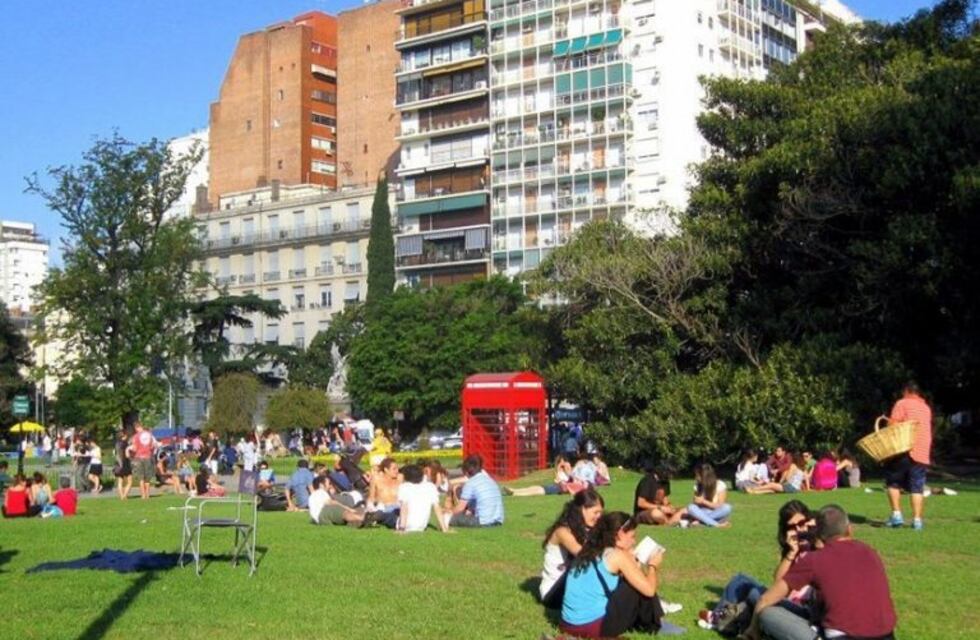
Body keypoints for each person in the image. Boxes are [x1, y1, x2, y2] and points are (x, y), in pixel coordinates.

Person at [745, 505, 897, 640]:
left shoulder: (815, 559)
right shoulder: (870, 552)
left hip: (842, 635)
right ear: (849, 529)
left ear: (818, 534)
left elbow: (767, 599)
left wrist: (753, 630)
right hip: (886, 635)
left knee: (768, 613)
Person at [699, 500, 817, 634]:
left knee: (753, 592)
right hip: (788, 601)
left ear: (808, 521)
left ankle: (720, 618)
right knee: (741, 580)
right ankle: (724, 618)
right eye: (792, 527)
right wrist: (791, 553)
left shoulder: (816, 547)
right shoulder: (793, 550)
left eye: (801, 524)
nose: (798, 530)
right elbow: (778, 583)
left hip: (801, 611)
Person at [560, 511, 684, 638]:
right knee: (637, 588)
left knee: (630, 582)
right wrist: (653, 566)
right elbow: (649, 590)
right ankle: (653, 625)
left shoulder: (589, 549)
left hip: (567, 625)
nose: (634, 541)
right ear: (619, 535)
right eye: (632, 536)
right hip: (593, 628)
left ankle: (649, 619)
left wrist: (632, 565)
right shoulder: (616, 555)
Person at [540, 488, 605, 608]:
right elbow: (583, 554)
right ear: (582, 509)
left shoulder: (585, 529)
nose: (599, 517)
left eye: (601, 513)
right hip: (552, 591)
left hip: (570, 586)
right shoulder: (562, 531)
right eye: (595, 512)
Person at [885, 382, 933, 529]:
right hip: (922, 452)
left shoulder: (902, 403)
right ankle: (917, 520)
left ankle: (896, 515)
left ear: (906, 391)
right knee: (917, 487)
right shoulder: (926, 408)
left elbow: (892, 425)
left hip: (904, 449)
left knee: (893, 482)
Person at [448, 455, 504, 528]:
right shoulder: (490, 480)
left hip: (483, 522)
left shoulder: (471, 483)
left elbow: (460, 508)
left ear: (466, 472)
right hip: (497, 520)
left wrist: (449, 513)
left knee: (449, 518)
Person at [395, 464, 450, 533]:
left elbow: (404, 507)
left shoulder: (404, 487)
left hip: (407, 525)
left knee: (388, 514)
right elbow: (437, 508)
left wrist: (402, 528)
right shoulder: (430, 486)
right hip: (422, 526)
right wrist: (444, 528)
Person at [504, 455, 583, 497]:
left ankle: (515, 493)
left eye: (565, 462)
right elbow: (557, 478)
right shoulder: (559, 472)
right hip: (553, 486)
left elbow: (570, 479)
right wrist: (559, 467)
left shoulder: (570, 476)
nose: (564, 465)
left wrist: (567, 470)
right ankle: (514, 490)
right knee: (534, 488)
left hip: (556, 488)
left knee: (534, 491)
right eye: (561, 462)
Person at [684, 463, 732, 528]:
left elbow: (719, 506)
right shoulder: (697, 486)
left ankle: (701, 522)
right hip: (703, 512)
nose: (696, 478)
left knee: (727, 507)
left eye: (697, 475)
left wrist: (703, 501)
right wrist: (696, 501)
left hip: (716, 512)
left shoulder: (720, 485)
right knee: (691, 507)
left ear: (704, 476)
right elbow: (696, 507)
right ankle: (716, 525)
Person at [368, 457, 402, 527]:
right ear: (386, 470)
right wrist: (370, 506)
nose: (397, 471)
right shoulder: (376, 479)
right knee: (383, 512)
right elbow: (371, 497)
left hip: (398, 507)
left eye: (397, 468)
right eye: (394, 469)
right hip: (383, 508)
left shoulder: (400, 478)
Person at [129, 422, 158, 500]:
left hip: (139, 457)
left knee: (141, 478)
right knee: (147, 478)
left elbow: (134, 448)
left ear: (136, 428)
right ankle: (148, 495)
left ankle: (143, 495)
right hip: (148, 457)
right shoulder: (149, 435)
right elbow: (153, 446)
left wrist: (130, 451)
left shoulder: (135, 436)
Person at [113, 429, 133, 500]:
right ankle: (125, 495)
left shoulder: (116, 443)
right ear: (124, 435)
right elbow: (127, 454)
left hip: (118, 463)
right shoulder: (125, 443)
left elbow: (116, 454)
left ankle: (121, 496)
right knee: (130, 481)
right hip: (125, 462)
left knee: (120, 481)